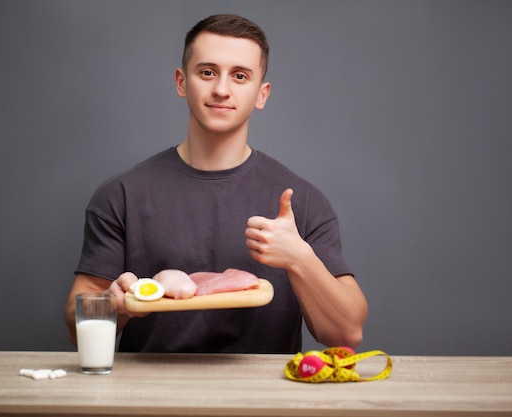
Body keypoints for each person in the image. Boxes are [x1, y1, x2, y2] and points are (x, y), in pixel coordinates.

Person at [64, 14, 367, 353]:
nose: (222, 89)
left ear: (261, 94)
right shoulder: (121, 195)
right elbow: (77, 329)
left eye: (240, 76)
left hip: (268, 401)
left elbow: (346, 334)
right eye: (207, 72)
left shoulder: (301, 202)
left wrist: (300, 258)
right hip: (150, 398)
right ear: (182, 82)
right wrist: (114, 304)